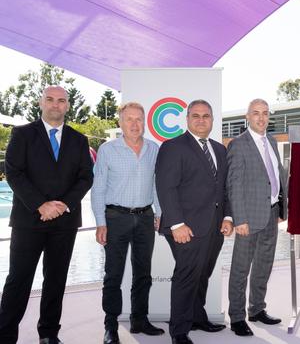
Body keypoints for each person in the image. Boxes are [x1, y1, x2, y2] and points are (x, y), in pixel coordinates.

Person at [0, 86, 94, 344]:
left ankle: (49, 334)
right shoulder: (22, 134)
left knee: (56, 279)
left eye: (61, 101)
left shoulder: (79, 140)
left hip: (64, 222)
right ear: (41, 102)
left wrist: (63, 204)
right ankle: (6, 335)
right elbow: (14, 172)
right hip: (28, 220)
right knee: (18, 280)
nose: (55, 105)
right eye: (50, 100)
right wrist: (41, 205)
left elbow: (86, 177)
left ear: (67, 105)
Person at [155, 100, 233, 344]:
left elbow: (224, 188)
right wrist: (177, 224)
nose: (201, 120)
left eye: (206, 116)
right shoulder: (172, 147)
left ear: (212, 119)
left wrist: (228, 217)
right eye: (196, 116)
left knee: (203, 275)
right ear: (187, 119)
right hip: (185, 227)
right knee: (186, 276)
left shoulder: (220, 149)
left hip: (214, 226)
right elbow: (166, 188)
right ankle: (178, 331)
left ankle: (198, 317)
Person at [91, 102, 165, 344]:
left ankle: (139, 319)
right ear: (120, 123)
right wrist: (101, 222)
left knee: (143, 273)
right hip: (116, 218)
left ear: (144, 122)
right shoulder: (107, 150)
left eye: (139, 119)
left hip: (144, 218)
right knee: (113, 274)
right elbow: (98, 189)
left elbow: (156, 184)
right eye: (129, 119)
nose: (134, 124)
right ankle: (110, 326)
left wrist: (159, 212)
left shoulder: (153, 149)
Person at [227, 99, 288, 337]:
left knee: (264, 265)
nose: (261, 118)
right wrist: (239, 219)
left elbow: (276, 178)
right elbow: (234, 185)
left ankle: (256, 309)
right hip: (248, 219)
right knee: (240, 269)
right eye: (256, 113)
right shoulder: (238, 144)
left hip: (271, 214)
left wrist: (281, 209)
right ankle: (237, 317)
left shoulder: (271, 141)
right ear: (247, 117)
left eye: (265, 113)